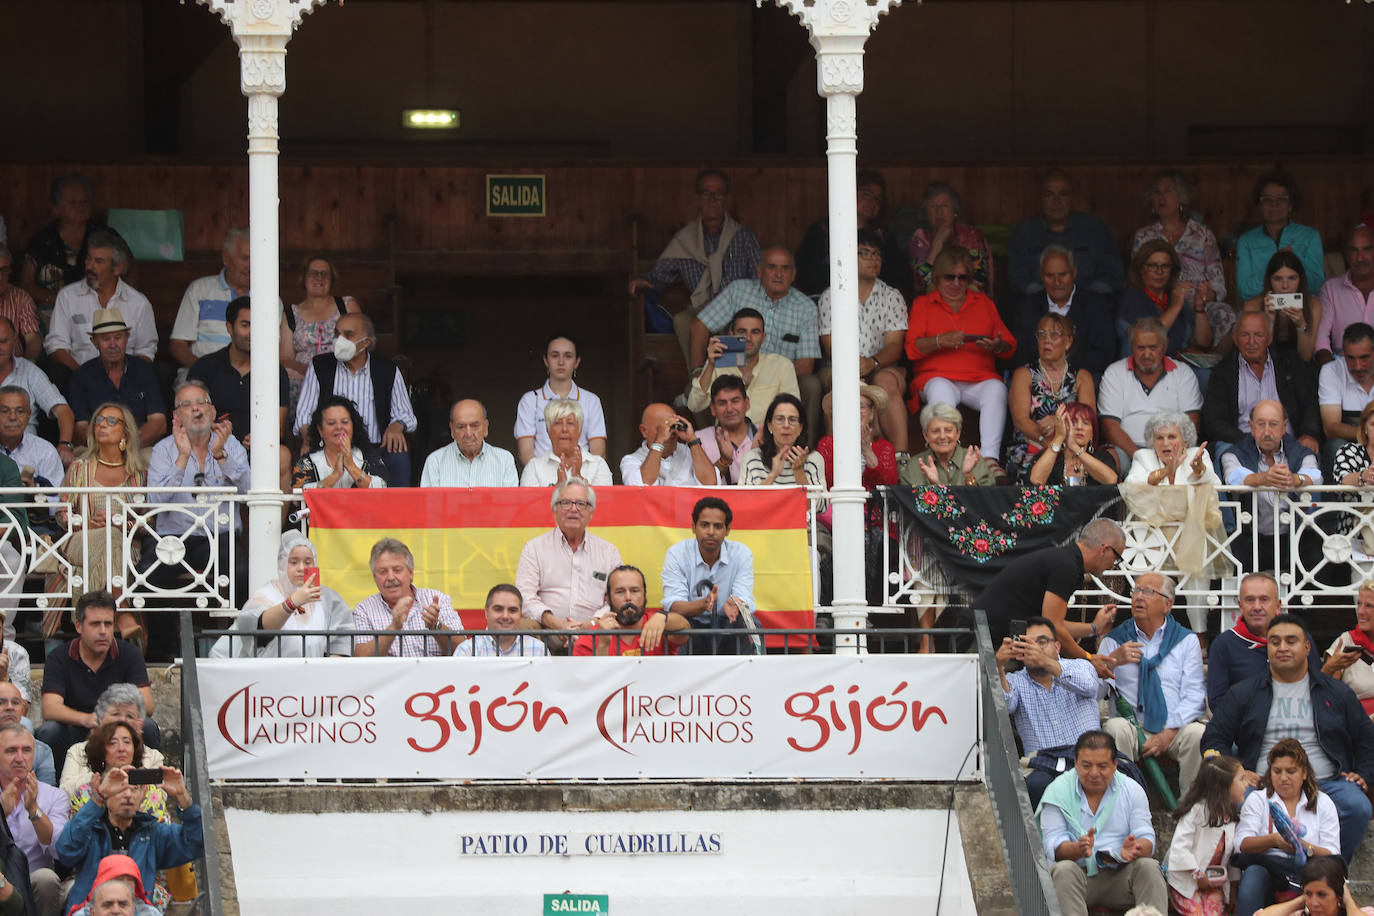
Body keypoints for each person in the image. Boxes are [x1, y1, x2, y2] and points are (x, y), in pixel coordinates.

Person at [1203, 613, 1374, 864]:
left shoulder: (1336, 692)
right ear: (1268, 648)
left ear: (1307, 647)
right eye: (1275, 641)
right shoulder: (1244, 692)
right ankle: (1267, 870)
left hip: (1326, 783)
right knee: (1236, 802)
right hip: (1262, 784)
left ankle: (1330, 873)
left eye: (1291, 641)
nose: (1282, 647)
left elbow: (1367, 739)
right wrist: (1236, 770)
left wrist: (1363, 773)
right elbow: (1213, 739)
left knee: (1357, 807)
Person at [628, 168, 762, 359]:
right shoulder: (685, 240)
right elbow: (658, 275)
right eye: (706, 193)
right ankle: (698, 378)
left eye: (719, 193)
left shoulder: (743, 237)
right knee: (683, 320)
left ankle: (730, 380)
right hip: (703, 308)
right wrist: (642, 280)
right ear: (698, 199)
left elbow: (759, 278)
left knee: (734, 325)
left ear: (726, 199)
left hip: (736, 308)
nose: (712, 199)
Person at [689, 247, 823, 435]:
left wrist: (772, 375)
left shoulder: (806, 308)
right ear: (759, 271)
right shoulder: (739, 291)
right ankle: (712, 441)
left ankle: (801, 448)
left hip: (779, 377)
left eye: (785, 268)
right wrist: (698, 370)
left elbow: (806, 364)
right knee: (696, 388)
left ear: (793, 275)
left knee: (811, 384)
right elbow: (700, 326)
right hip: (732, 372)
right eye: (772, 267)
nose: (778, 274)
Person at [140, 380, 250, 602]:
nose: (196, 408)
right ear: (176, 416)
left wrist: (221, 455)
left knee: (243, 573)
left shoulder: (231, 445)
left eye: (201, 402)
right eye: (187, 404)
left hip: (219, 539)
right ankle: (167, 637)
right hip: (172, 539)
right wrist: (182, 457)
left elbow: (249, 492)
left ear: (213, 411)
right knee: (145, 576)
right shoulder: (163, 449)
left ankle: (237, 635)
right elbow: (155, 502)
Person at [1037, 730, 1168, 916]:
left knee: (1149, 867)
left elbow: (1147, 839)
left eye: (1102, 766)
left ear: (1115, 765)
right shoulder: (1057, 791)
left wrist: (1134, 849)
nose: (1094, 773)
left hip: (1120, 875)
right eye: (1086, 765)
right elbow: (1053, 845)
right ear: (1075, 763)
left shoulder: (1132, 790)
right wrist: (1079, 848)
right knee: (1063, 870)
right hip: (1078, 876)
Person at [1099, 573, 1207, 795]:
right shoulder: (1114, 640)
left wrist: (1168, 734)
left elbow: (1195, 695)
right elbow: (1095, 691)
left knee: (1198, 733)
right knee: (1114, 728)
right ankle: (1125, 807)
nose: (1139, 597)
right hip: (1131, 726)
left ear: (1168, 604)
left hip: (1173, 727)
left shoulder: (1185, 641)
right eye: (1136, 591)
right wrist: (1113, 662)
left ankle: (1192, 814)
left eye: (1148, 592)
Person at [44, 405, 145, 641]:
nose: (101, 424)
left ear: (125, 433)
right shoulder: (80, 468)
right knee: (105, 536)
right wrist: (83, 523)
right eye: (98, 419)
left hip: (124, 544)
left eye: (111, 421)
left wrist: (118, 524)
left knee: (109, 536)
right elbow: (62, 513)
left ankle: (95, 622)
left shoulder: (137, 474)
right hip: (79, 541)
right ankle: (121, 610)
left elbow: (146, 521)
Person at [904, 245, 1015, 458]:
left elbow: (1009, 345)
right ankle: (947, 458)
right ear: (937, 278)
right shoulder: (923, 304)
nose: (956, 283)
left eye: (962, 278)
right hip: (936, 377)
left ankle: (990, 458)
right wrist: (939, 341)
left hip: (979, 379)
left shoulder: (983, 302)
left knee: (997, 389)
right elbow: (911, 349)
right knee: (940, 390)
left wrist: (997, 345)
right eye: (949, 277)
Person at [967, 517, 1125, 665]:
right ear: (1104, 549)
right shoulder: (1066, 567)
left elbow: (1053, 622)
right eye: (1117, 557)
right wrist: (1089, 659)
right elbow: (1053, 627)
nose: (1114, 565)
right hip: (982, 639)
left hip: (990, 636)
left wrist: (1093, 628)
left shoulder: (1064, 560)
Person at [36, 592, 157, 777]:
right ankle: (58, 792)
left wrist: (112, 720)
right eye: (95, 624)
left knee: (147, 726)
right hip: (78, 727)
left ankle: (146, 786)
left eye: (108, 624)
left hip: (119, 727)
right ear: (79, 626)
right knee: (50, 731)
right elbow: (50, 708)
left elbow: (147, 705)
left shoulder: (129, 654)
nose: (103, 631)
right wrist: (88, 719)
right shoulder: (59, 656)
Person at [55, 764, 202, 913]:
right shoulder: (89, 828)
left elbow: (196, 843)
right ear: (106, 792)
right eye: (120, 788)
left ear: (143, 794)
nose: (128, 795)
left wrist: (182, 796)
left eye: (134, 789)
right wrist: (96, 800)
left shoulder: (153, 832)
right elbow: (66, 851)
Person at [294, 311, 417, 486]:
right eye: (337, 334)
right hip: (330, 447)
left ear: (366, 342)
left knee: (399, 458)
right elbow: (304, 414)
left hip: (375, 449)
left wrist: (397, 426)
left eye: (348, 335)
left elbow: (407, 415)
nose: (339, 340)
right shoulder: (320, 366)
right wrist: (308, 438)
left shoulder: (386, 369)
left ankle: (398, 513)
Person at [817, 229, 910, 452]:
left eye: (877, 254)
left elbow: (895, 346)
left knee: (886, 381)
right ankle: (835, 459)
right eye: (864, 253)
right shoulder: (831, 295)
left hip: (883, 366)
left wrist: (873, 363)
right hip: (838, 365)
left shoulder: (892, 295)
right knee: (841, 380)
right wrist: (854, 366)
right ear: (848, 256)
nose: (872, 259)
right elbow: (830, 346)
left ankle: (901, 457)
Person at [65, 722, 174, 911]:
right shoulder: (85, 792)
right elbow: (72, 845)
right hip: (94, 874)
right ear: (102, 750)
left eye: (127, 742)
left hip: (140, 877)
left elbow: (158, 844)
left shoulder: (151, 793)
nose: (121, 748)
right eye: (113, 742)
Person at [996, 616, 1102, 807]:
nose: (1034, 648)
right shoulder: (1016, 680)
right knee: (1036, 785)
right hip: (1042, 766)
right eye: (1027, 643)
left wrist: (1045, 662)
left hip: (1088, 759)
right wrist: (998, 666)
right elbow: (1004, 704)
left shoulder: (1080, 665)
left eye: (1042, 642)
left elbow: (1089, 685)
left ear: (1058, 647)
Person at [1235, 739, 1342, 914]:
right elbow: (1240, 844)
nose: (1283, 777)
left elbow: (1333, 853)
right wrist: (1275, 840)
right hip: (1269, 871)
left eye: (1291, 771)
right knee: (1253, 875)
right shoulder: (1258, 799)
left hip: (1310, 870)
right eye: (1277, 771)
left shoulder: (1323, 803)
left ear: (1305, 773)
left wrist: (1302, 847)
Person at [1219, 399, 1322, 572]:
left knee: (1316, 556)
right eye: (1261, 424)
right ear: (1251, 427)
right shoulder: (1234, 452)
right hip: (1250, 537)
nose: (1267, 432)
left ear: (1284, 427)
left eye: (1273, 424)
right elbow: (1233, 477)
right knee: (1233, 556)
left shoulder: (1300, 452)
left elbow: (1315, 476)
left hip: (1292, 536)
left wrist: (1295, 479)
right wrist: (1264, 478)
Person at [169, 227, 291, 371]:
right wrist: (203, 370)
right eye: (246, 258)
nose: (252, 265)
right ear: (226, 259)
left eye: (257, 258)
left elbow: (271, 349)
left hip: (250, 377)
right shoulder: (199, 290)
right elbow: (178, 344)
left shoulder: (270, 299)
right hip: (202, 374)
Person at [1202, 310, 1321, 456]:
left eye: (1258, 335)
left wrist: (1309, 433)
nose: (1251, 342)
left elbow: (1309, 404)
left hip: (1287, 442)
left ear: (1269, 339)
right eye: (1245, 335)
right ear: (1235, 338)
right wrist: (1249, 440)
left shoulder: (1289, 363)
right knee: (1225, 455)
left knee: (1310, 455)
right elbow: (1213, 421)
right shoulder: (1223, 371)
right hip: (1239, 442)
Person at [217, 530, 353, 658]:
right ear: (282, 564)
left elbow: (342, 638)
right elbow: (254, 629)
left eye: (307, 562)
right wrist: (292, 602)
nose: (301, 568)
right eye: (294, 562)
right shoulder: (267, 595)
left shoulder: (327, 598)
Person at [45, 232, 158, 385]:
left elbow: (145, 351)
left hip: (125, 381)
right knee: (55, 373)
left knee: (159, 373)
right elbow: (56, 347)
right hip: (78, 377)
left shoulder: (139, 303)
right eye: (88, 259)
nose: (90, 266)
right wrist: (85, 377)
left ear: (117, 268)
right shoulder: (67, 296)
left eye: (98, 261)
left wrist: (123, 379)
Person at [516, 479, 622, 639]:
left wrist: (592, 624)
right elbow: (524, 596)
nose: (573, 509)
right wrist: (557, 625)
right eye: (565, 503)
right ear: (555, 510)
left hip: (596, 632)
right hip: (548, 631)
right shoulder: (534, 548)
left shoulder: (608, 552)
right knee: (521, 626)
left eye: (581, 503)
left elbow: (618, 597)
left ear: (591, 512)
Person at [1098, 318, 1203, 467]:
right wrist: (1142, 458)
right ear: (1131, 346)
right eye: (1141, 348)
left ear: (1165, 345)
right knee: (1110, 460)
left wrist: (1168, 454)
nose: (1147, 354)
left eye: (1153, 348)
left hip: (1172, 449)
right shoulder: (1114, 373)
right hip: (1128, 450)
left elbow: (1192, 422)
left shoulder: (1183, 373)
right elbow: (1110, 426)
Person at [188, 295, 290, 449]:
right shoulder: (205, 367)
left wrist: (261, 439)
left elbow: (279, 428)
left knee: (282, 455)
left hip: (258, 452)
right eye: (245, 325)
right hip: (211, 448)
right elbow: (189, 418)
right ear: (229, 328)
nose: (252, 332)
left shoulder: (274, 371)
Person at [1208, 573, 1321, 711]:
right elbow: (1217, 703)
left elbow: (1317, 690)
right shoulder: (1223, 644)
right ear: (1240, 606)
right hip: (1244, 726)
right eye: (1249, 600)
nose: (1257, 607)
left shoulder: (1299, 638)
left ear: (1278, 605)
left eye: (1264, 599)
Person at [1006, 311, 1096, 481]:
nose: (1047, 340)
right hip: (1031, 445)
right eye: (1042, 334)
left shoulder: (1081, 376)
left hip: (1071, 446)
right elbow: (1020, 420)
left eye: (1054, 334)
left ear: (1068, 341)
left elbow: (1088, 418)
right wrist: (1046, 442)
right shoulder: (1024, 374)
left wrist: (1058, 423)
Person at [661, 497, 755, 656]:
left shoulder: (741, 554)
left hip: (728, 623)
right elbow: (674, 604)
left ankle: (753, 676)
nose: (711, 532)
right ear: (693, 527)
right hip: (690, 623)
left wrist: (736, 604)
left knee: (750, 624)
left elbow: (744, 598)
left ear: (728, 529)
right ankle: (679, 679)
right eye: (704, 525)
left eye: (718, 526)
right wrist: (702, 605)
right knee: (675, 623)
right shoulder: (677, 554)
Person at [1007, 169, 1124, 297]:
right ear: (1040, 198)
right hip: (1039, 306)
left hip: (1090, 303)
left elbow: (1112, 273)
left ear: (1072, 197)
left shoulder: (1095, 228)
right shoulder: (1023, 233)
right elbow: (1018, 278)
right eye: (1049, 195)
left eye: (1063, 194)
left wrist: (1085, 298)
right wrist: (1050, 299)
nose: (1057, 201)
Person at [795, 170, 911, 298]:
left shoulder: (883, 236)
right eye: (866, 194)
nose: (872, 202)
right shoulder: (821, 231)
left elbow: (899, 277)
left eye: (877, 199)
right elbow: (806, 275)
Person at [1129, 171, 1227, 316]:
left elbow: (1218, 284)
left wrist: (1204, 297)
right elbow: (1136, 279)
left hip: (1198, 303)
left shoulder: (1202, 234)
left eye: (1168, 191)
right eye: (1157, 192)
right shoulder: (1143, 236)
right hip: (1157, 303)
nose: (1161, 197)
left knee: (1225, 315)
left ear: (1181, 197)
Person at [1011, 246, 1117, 378]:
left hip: (1083, 379)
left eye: (1063, 274)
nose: (1057, 282)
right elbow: (1020, 354)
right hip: (1038, 379)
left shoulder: (1096, 306)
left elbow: (1104, 353)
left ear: (1074, 272)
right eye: (1050, 275)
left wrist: (1065, 372)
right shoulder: (1027, 307)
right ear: (1041, 275)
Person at [67, 309, 167, 447]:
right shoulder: (81, 376)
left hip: (139, 446)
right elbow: (80, 429)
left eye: (118, 337)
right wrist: (108, 451)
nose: (113, 344)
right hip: (96, 449)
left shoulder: (144, 370)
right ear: (94, 342)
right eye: (106, 339)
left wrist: (127, 448)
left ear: (127, 338)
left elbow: (158, 422)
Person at [686, 308, 800, 428]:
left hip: (768, 440)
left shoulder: (782, 365)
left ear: (763, 337)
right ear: (731, 335)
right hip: (727, 440)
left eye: (755, 332)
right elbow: (694, 405)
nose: (749, 338)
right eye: (742, 332)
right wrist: (710, 365)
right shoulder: (716, 363)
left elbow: (792, 411)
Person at [1164, 754, 1246, 916]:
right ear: (1225, 785)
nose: (1246, 784)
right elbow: (1179, 849)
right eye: (1242, 779)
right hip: (1187, 882)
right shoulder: (1197, 812)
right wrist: (1198, 875)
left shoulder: (1233, 817)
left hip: (1213, 883)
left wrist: (1234, 892)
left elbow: (1233, 859)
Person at [0, 724, 69, 916]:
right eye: (11, 750)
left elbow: (59, 851)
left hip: (34, 882)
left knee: (46, 878)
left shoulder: (54, 796)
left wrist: (34, 811)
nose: (20, 758)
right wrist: (1, 815)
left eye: (27, 750)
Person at [351, 537, 460, 658]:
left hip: (435, 675)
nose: (391, 577)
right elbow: (361, 659)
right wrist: (393, 628)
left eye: (397, 570)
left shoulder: (438, 599)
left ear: (411, 573)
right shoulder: (363, 610)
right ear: (374, 577)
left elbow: (463, 650)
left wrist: (436, 626)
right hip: (390, 677)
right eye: (383, 572)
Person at [20, 176, 111, 319]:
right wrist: (59, 299)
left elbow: (129, 266)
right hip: (52, 312)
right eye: (72, 202)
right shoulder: (43, 241)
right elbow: (26, 284)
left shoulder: (105, 236)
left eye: (84, 201)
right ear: (57, 208)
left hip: (98, 312)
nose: (80, 206)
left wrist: (118, 303)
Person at [58, 685, 164, 803]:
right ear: (101, 719)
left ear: (139, 723)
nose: (122, 720)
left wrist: (131, 773)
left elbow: (160, 798)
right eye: (116, 714)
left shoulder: (153, 756)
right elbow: (64, 793)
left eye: (129, 716)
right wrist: (105, 775)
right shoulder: (78, 751)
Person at [513, 334, 607, 466]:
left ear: (577, 362)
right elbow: (525, 452)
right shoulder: (530, 401)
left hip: (583, 479)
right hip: (542, 481)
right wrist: (543, 478)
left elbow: (598, 452)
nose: (561, 362)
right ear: (546, 360)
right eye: (555, 355)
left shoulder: (591, 401)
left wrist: (580, 479)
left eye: (568, 356)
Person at [284, 254, 362, 409]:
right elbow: (285, 357)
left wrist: (334, 374)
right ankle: (299, 427)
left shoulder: (346, 306)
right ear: (303, 278)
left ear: (332, 279)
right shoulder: (291, 313)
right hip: (303, 379)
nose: (319, 278)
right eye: (313, 273)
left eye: (325, 274)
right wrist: (312, 373)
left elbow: (360, 344)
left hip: (341, 374)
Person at [1237, 170, 1325, 304]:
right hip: (1262, 312)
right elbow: (1244, 291)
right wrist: (1274, 264)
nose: (1274, 204)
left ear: (1291, 205)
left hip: (1301, 309)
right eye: (1267, 199)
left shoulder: (1310, 236)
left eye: (1281, 199)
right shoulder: (1247, 241)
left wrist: (1295, 263)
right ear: (1260, 206)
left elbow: (1317, 286)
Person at [1116, 239, 1210, 359]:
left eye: (1165, 266)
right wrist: (1175, 307)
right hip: (1142, 368)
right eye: (1152, 265)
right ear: (1140, 268)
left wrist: (1199, 308)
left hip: (1176, 367)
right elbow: (1149, 337)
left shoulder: (1174, 298)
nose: (1159, 271)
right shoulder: (1131, 298)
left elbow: (1203, 344)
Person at [573, 565, 690, 657]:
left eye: (635, 591)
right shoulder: (588, 639)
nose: (628, 597)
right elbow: (591, 682)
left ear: (644, 595)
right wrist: (603, 644)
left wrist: (663, 617)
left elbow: (685, 628)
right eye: (620, 592)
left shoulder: (657, 623)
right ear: (607, 598)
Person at [908, 181, 993, 297]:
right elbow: (920, 282)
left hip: (969, 303)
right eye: (933, 206)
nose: (939, 212)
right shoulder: (919, 238)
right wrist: (937, 244)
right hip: (933, 305)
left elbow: (979, 281)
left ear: (955, 212)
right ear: (926, 213)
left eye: (944, 206)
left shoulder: (972, 236)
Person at [0, 317, 71, 453]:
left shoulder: (29, 371)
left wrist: (65, 445)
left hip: (28, 455)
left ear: (15, 339)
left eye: (3, 341)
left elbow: (63, 410)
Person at [291, 395, 387, 490]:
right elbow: (298, 495)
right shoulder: (307, 462)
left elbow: (384, 489)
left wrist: (352, 467)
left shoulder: (369, 457)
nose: (339, 427)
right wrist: (335, 475)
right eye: (331, 423)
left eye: (345, 422)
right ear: (320, 430)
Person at [1245, 249, 1325, 363]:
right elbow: (1257, 356)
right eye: (1278, 279)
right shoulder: (1253, 306)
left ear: (1300, 279)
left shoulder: (1313, 305)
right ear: (1269, 280)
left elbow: (1305, 356)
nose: (1285, 286)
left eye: (1292, 278)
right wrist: (1268, 323)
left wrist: (1301, 325)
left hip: (1298, 369)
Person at [900, 401, 1001, 487]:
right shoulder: (914, 466)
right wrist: (933, 486)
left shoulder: (975, 461)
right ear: (926, 436)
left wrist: (968, 476)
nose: (943, 436)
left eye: (948, 430)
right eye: (935, 431)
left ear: (958, 433)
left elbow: (986, 501)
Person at [419, 399, 517, 487]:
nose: (468, 434)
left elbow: (511, 504)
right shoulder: (435, 461)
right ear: (452, 430)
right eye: (461, 426)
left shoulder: (504, 460)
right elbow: (430, 505)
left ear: (486, 427)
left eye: (475, 426)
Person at [518, 399, 613, 487]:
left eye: (570, 423)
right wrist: (557, 487)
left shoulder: (598, 464)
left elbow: (605, 503)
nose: (564, 429)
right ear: (548, 429)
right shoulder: (534, 467)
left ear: (580, 429)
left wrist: (580, 480)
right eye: (558, 423)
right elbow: (529, 504)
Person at [1314, 226, 1374, 363]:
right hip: (1343, 367)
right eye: (1354, 250)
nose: (1360, 258)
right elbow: (1321, 338)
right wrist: (1331, 373)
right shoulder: (1330, 289)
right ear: (1346, 255)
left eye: (1367, 249)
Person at [738, 393, 824, 488]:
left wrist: (798, 471)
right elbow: (745, 502)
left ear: (800, 427)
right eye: (780, 419)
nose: (786, 425)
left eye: (792, 419)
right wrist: (773, 475)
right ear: (770, 425)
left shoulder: (813, 459)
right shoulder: (752, 459)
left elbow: (818, 503)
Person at [620, 402, 717, 486]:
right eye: (660, 429)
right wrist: (660, 440)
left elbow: (711, 483)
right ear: (644, 431)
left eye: (672, 427)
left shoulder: (691, 453)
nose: (669, 434)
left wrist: (692, 439)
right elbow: (642, 487)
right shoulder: (632, 461)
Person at [1319, 322, 1374, 465]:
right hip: (1349, 449)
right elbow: (1330, 427)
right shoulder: (1331, 371)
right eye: (1351, 358)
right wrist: (1368, 435)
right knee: (1335, 446)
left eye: (1364, 358)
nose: (1358, 366)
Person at [1028, 402, 1120, 487]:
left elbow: (1111, 480)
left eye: (1085, 423)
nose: (1079, 427)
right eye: (1073, 422)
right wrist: (1059, 437)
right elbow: (1036, 480)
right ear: (1062, 426)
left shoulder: (1103, 457)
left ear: (1092, 433)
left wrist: (1074, 447)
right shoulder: (1047, 457)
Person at [1320, 581, 1374, 717]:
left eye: (1369, 606)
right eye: (1359, 604)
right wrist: (1330, 667)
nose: (1361, 611)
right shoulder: (1345, 642)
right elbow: (1322, 696)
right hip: (1358, 724)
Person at [1123, 411, 1217, 488]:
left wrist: (1200, 470)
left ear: (1185, 441)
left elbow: (1216, 486)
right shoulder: (1143, 457)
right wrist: (1165, 471)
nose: (1165, 443)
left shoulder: (1196, 455)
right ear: (1153, 442)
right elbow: (1129, 485)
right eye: (1159, 438)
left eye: (1171, 437)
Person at [1253, 855, 1368, 916]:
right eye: (1309, 893)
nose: (1314, 902)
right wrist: (1302, 900)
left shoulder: (1360, 913)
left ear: (1338, 895)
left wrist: (1347, 900)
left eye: (1321, 894)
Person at [0, 387, 62, 496]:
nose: (13, 417)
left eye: (20, 411)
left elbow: (58, 501)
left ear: (29, 415)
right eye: (5, 411)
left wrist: (35, 493)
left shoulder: (45, 451)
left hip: (33, 512)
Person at [454, 585, 546, 658]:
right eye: (498, 609)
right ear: (486, 612)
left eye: (512, 610)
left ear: (520, 614)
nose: (505, 616)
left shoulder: (538, 650)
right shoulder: (467, 651)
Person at [694, 376, 756, 486]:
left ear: (747, 404)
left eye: (735, 401)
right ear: (713, 409)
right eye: (722, 403)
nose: (729, 409)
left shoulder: (766, 435)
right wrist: (723, 461)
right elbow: (698, 486)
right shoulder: (698, 440)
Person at [64, 854, 159, 916]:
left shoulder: (149, 913)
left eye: (123, 904)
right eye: (107, 905)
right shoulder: (82, 914)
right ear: (92, 912)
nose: (116, 910)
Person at [1333, 400, 1374, 534]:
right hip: (1353, 536)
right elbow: (1341, 480)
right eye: (1373, 424)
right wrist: (1363, 476)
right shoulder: (1349, 451)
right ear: (1365, 428)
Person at [0, 247, 41, 363]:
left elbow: (33, 338)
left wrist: (24, 368)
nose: (0, 277)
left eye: (4, 270)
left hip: (13, 369)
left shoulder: (20, 297)